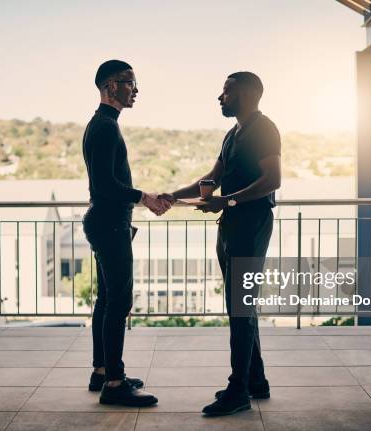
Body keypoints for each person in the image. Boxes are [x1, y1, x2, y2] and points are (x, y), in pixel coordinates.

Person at [161, 72, 281, 416]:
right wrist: (174, 195)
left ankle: (238, 390)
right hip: (231, 225)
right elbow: (210, 179)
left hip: (251, 225)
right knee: (241, 306)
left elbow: (273, 180)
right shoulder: (233, 134)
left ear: (244, 93)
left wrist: (227, 201)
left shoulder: (264, 129)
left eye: (226, 91)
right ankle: (255, 382)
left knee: (240, 308)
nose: (220, 97)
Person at [82, 59, 169, 407]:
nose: (135, 89)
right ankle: (114, 383)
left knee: (107, 299)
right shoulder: (104, 127)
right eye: (128, 83)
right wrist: (143, 197)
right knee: (119, 301)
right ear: (109, 86)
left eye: (135, 84)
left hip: (105, 222)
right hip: (109, 223)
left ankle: (102, 371)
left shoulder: (103, 124)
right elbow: (104, 184)